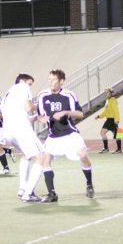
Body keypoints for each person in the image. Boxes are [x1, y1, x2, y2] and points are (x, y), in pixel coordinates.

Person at [36, 69, 94, 202]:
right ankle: (52, 194)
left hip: (70, 133)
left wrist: (65, 112)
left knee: (83, 155)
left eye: (54, 79)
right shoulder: (42, 96)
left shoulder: (69, 95)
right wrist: (40, 118)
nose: (50, 82)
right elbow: (41, 115)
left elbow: (80, 114)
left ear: (61, 81)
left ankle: (89, 184)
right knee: (45, 159)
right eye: (49, 79)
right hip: (53, 136)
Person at [1, 73, 45, 202]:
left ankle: (22, 188)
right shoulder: (23, 87)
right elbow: (29, 107)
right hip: (21, 130)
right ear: (23, 81)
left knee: (28, 155)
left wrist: (35, 117)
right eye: (30, 83)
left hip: (9, 132)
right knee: (42, 157)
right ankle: (29, 193)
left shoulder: (8, 94)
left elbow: (18, 116)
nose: (30, 86)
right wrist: (42, 106)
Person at [95, 88, 122, 153]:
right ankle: (118, 149)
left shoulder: (112, 100)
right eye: (105, 92)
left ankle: (107, 149)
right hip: (109, 119)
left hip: (112, 120)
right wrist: (99, 116)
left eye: (106, 92)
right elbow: (105, 112)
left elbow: (116, 111)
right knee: (116, 134)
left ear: (110, 93)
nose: (105, 94)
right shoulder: (108, 100)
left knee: (103, 133)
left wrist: (117, 120)